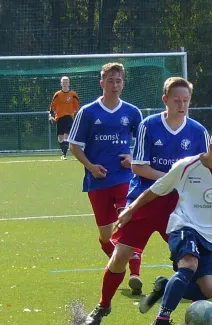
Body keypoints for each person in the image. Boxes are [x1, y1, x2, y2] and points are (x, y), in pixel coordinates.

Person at [81, 76, 210, 325]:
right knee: (120, 256)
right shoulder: (149, 125)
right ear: (165, 100)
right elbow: (139, 167)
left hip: (178, 208)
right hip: (145, 201)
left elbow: (205, 172)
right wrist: (172, 177)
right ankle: (103, 306)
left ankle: (185, 303)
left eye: (186, 100)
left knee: (196, 268)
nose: (182, 105)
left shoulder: (198, 132)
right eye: (176, 100)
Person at [118, 125, 212, 325]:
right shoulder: (186, 166)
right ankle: (161, 322)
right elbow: (156, 189)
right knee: (189, 265)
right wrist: (130, 209)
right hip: (183, 226)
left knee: (208, 289)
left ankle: (166, 287)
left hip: (209, 235)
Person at [67, 63, 143, 284]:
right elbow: (74, 145)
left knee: (128, 223)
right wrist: (91, 167)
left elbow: (144, 142)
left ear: (123, 84)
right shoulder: (88, 112)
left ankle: (135, 273)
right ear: (102, 83)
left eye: (118, 81)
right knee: (106, 235)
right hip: (97, 181)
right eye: (110, 81)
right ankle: (117, 264)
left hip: (124, 178)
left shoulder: (132, 112)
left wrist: (133, 159)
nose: (115, 85)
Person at [49, 76, 80, 160]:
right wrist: (51, 116)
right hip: (59, 118)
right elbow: (52, 106)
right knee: (60, 138)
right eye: (64, 82)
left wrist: (78, 116)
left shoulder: (73, 94)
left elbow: (77, 107)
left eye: (66, 82)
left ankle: (64, 154)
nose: (65, 83)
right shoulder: (58, 94)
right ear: (61, 83)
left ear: (69, 83)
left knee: (67, 135)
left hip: (69, 117)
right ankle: (63, 151)